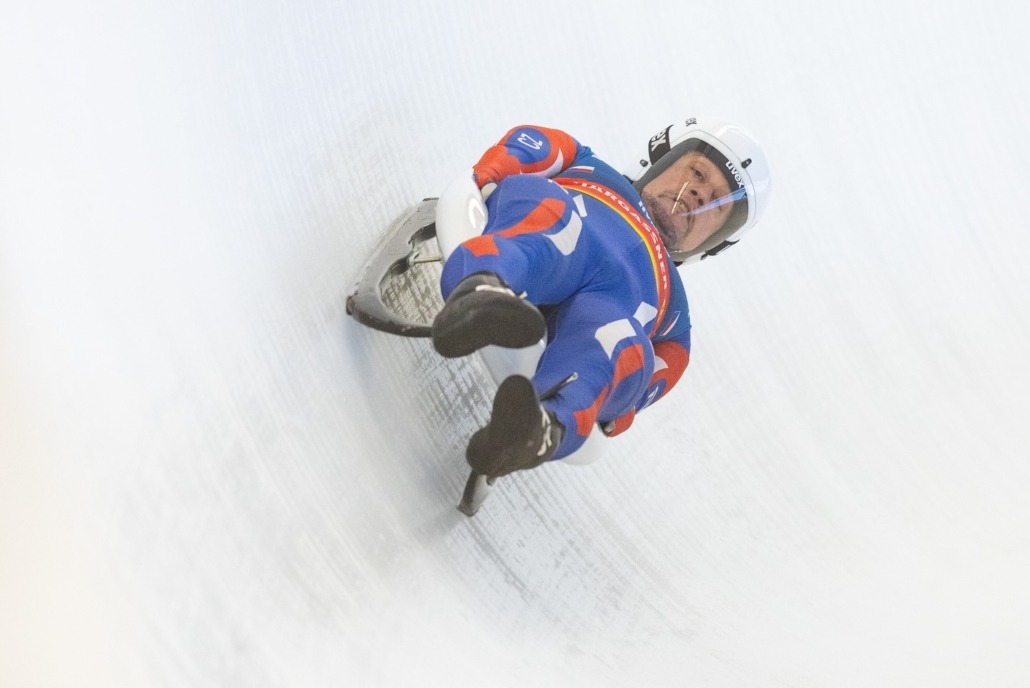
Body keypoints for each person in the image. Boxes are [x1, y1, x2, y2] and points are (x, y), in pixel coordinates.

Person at [431, 118, 771, 478]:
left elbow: (636, 394)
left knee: (619, 340)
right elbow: (530, 144)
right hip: (566, 229)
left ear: (715, 241)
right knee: (555, 225)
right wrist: (488, 174)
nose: (699, 194)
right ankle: (482, 295)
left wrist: (618, 410)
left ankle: (539, 429)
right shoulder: (588, 166)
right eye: (698, 173)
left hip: (605, 311)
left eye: (717, 204)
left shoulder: (676, 318)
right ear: (660, 157)